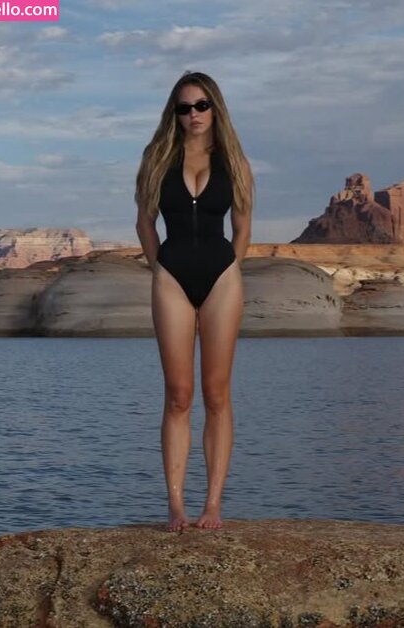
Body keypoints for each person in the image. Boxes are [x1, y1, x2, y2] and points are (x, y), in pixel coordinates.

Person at [135, 71, 253, 532]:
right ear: (175, 113)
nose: (194, 115)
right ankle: (176, 506)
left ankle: (213, 505)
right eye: (184, 108)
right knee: (179, 395)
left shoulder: (235, 161)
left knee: (217, 393)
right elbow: (145, 222)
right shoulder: (156, 158)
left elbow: (242, 227)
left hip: (222, 278)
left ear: (215, 108)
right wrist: (158, 267)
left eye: (201, 105)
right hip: (172, 278)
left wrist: (231, 268)